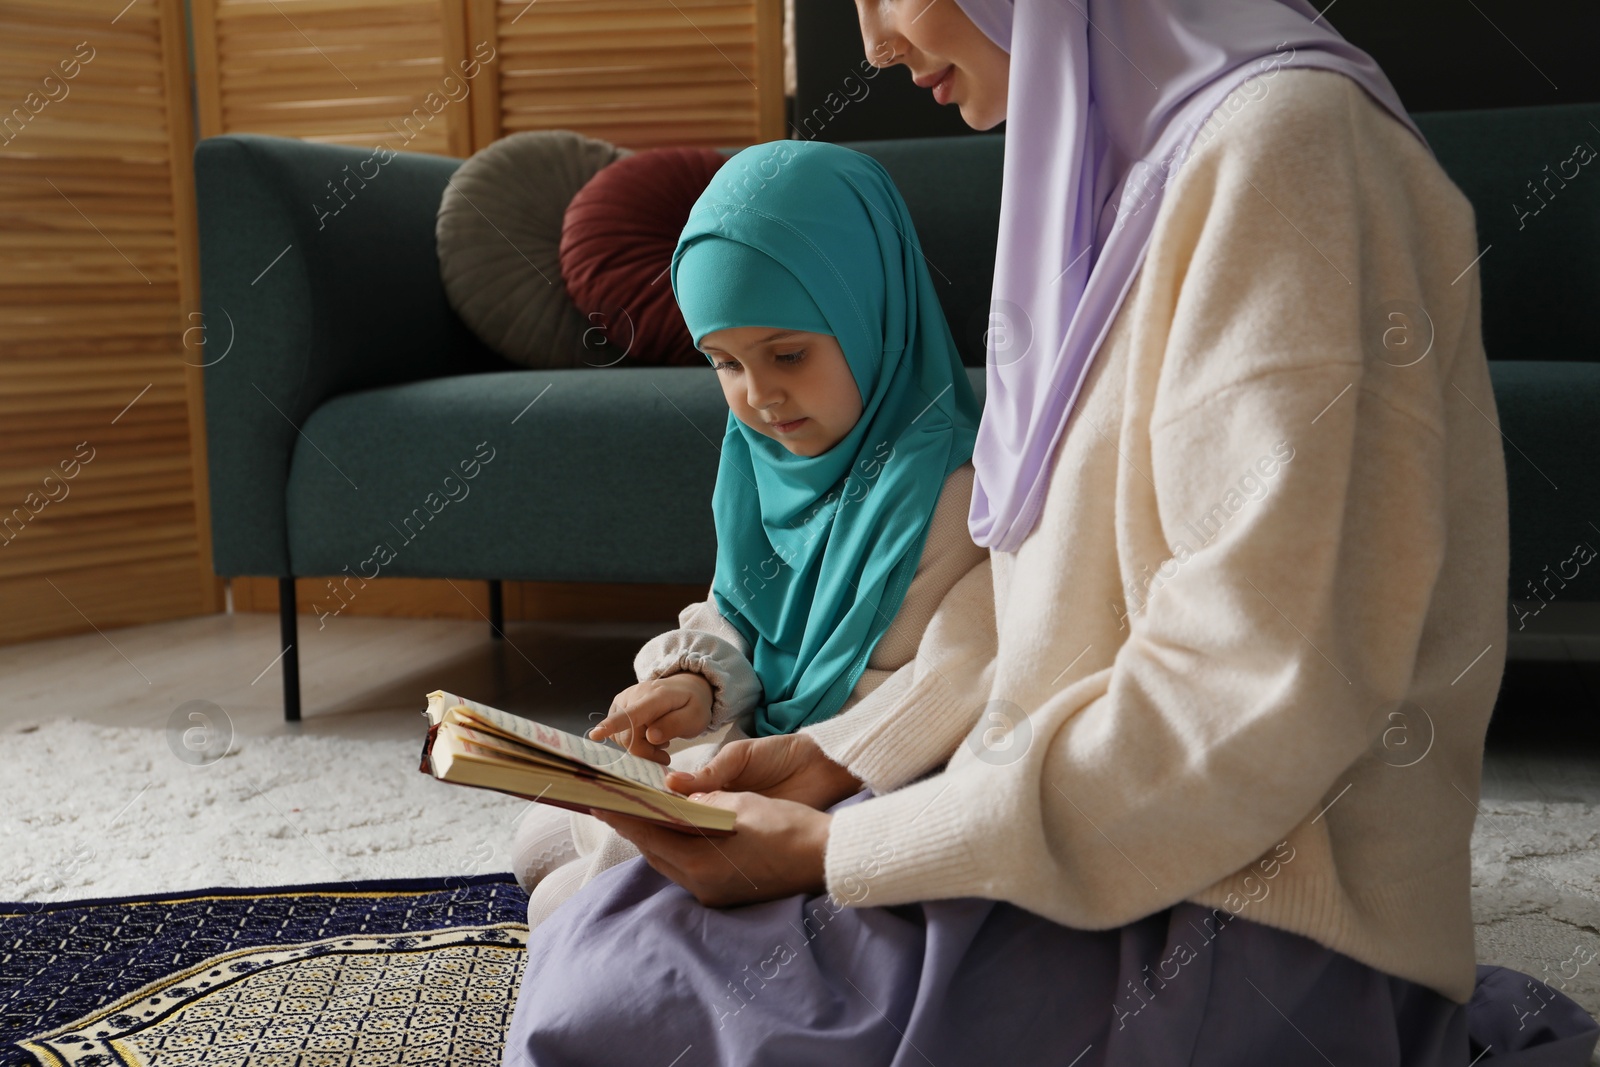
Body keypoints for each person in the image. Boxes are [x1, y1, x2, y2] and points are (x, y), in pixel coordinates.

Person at [500, 0, 1600, 1062]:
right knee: (637, 897)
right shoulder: (1122, 178)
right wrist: (838, 758)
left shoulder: (1285, 151)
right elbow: (1047, 606)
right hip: (1122, 825)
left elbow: (1256, 692)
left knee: (631, 985)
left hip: (1251, 904)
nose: (874, 43)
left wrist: (851, 846)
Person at [507, 137, 989, 929]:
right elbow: (739, 613)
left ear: (873, 315)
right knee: (538, 840)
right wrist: (692, 681)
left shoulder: (955, 493)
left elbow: (950, 685)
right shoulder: (763, 462)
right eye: (725, 363)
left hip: (863, 776)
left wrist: (786, 764)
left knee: (573, 899)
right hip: (751, 745)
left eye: (789, 353)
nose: (761, 394)